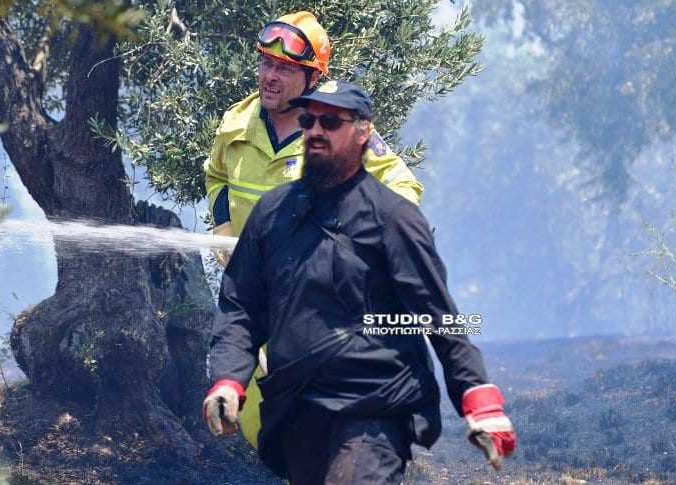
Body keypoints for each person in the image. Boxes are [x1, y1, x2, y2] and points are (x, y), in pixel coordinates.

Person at [203, 81, 516, 484]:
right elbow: (240, 306)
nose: (315, 131)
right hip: (297, 411)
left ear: (363, 132)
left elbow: (439, 318)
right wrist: (228, 378)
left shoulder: (394, 219)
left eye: (330, 121)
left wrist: (478, 398)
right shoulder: (272, 214)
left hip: (374, 410)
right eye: (308, 120)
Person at [203, 10, 424, 448]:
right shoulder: (235, 124)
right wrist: (224, 228)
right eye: (266, 63)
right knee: (252, 416)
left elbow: (402, 184)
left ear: (311, 77)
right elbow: (216, 177)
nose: (270, 76)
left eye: (284, 69)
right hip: (256, 296)